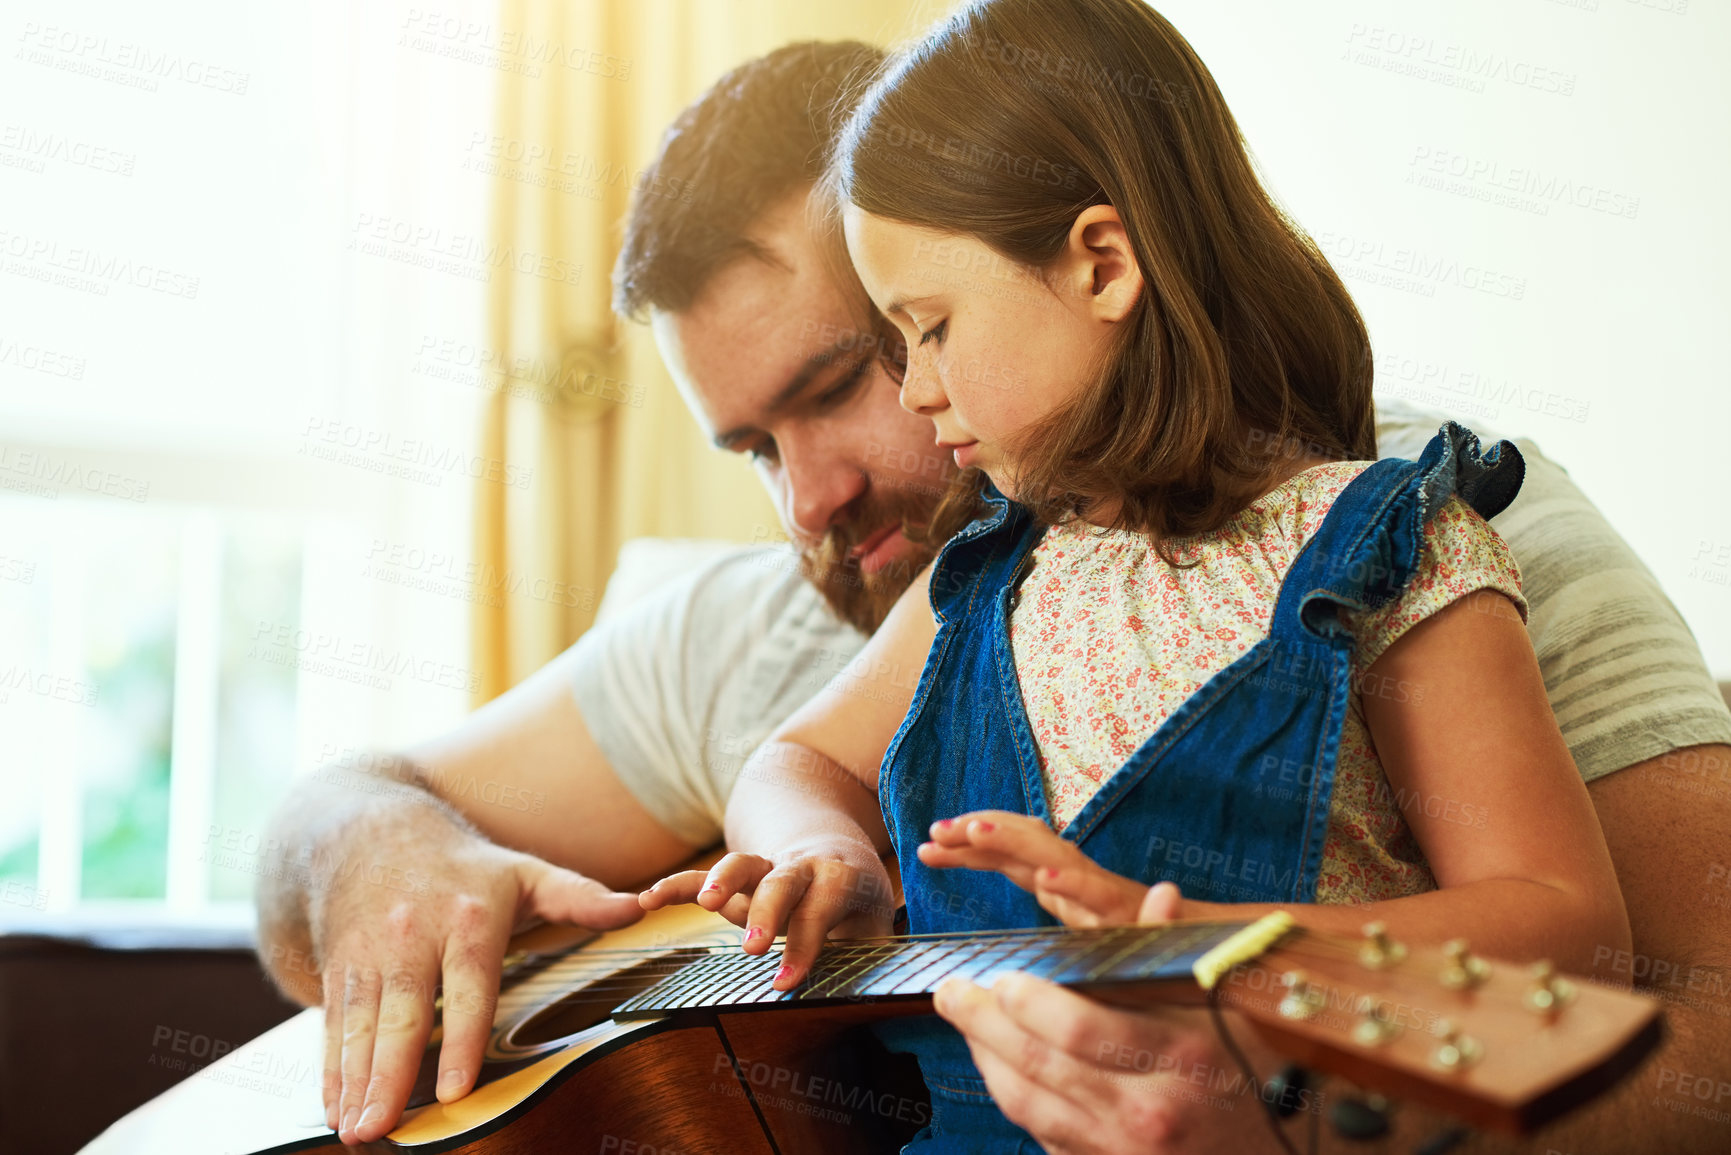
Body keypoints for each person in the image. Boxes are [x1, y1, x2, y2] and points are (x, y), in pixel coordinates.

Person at [251, 37, 1731, 1152]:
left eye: (858, 369)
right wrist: (385, 858)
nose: (808, 494)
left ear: (1090, 263)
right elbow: (335, 808)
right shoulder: (818, 615)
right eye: (751, 446)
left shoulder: (1425, 525)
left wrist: (1310, 1112)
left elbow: (1692, 1041)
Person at [631, 3, 1687, 1151]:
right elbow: (799, 760)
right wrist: (826, 851)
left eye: (929, 330)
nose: (917, 387)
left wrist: (1202, 938)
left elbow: (1571, 930)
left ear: (1101, 265)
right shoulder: (991, 575)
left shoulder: (1390, 552)